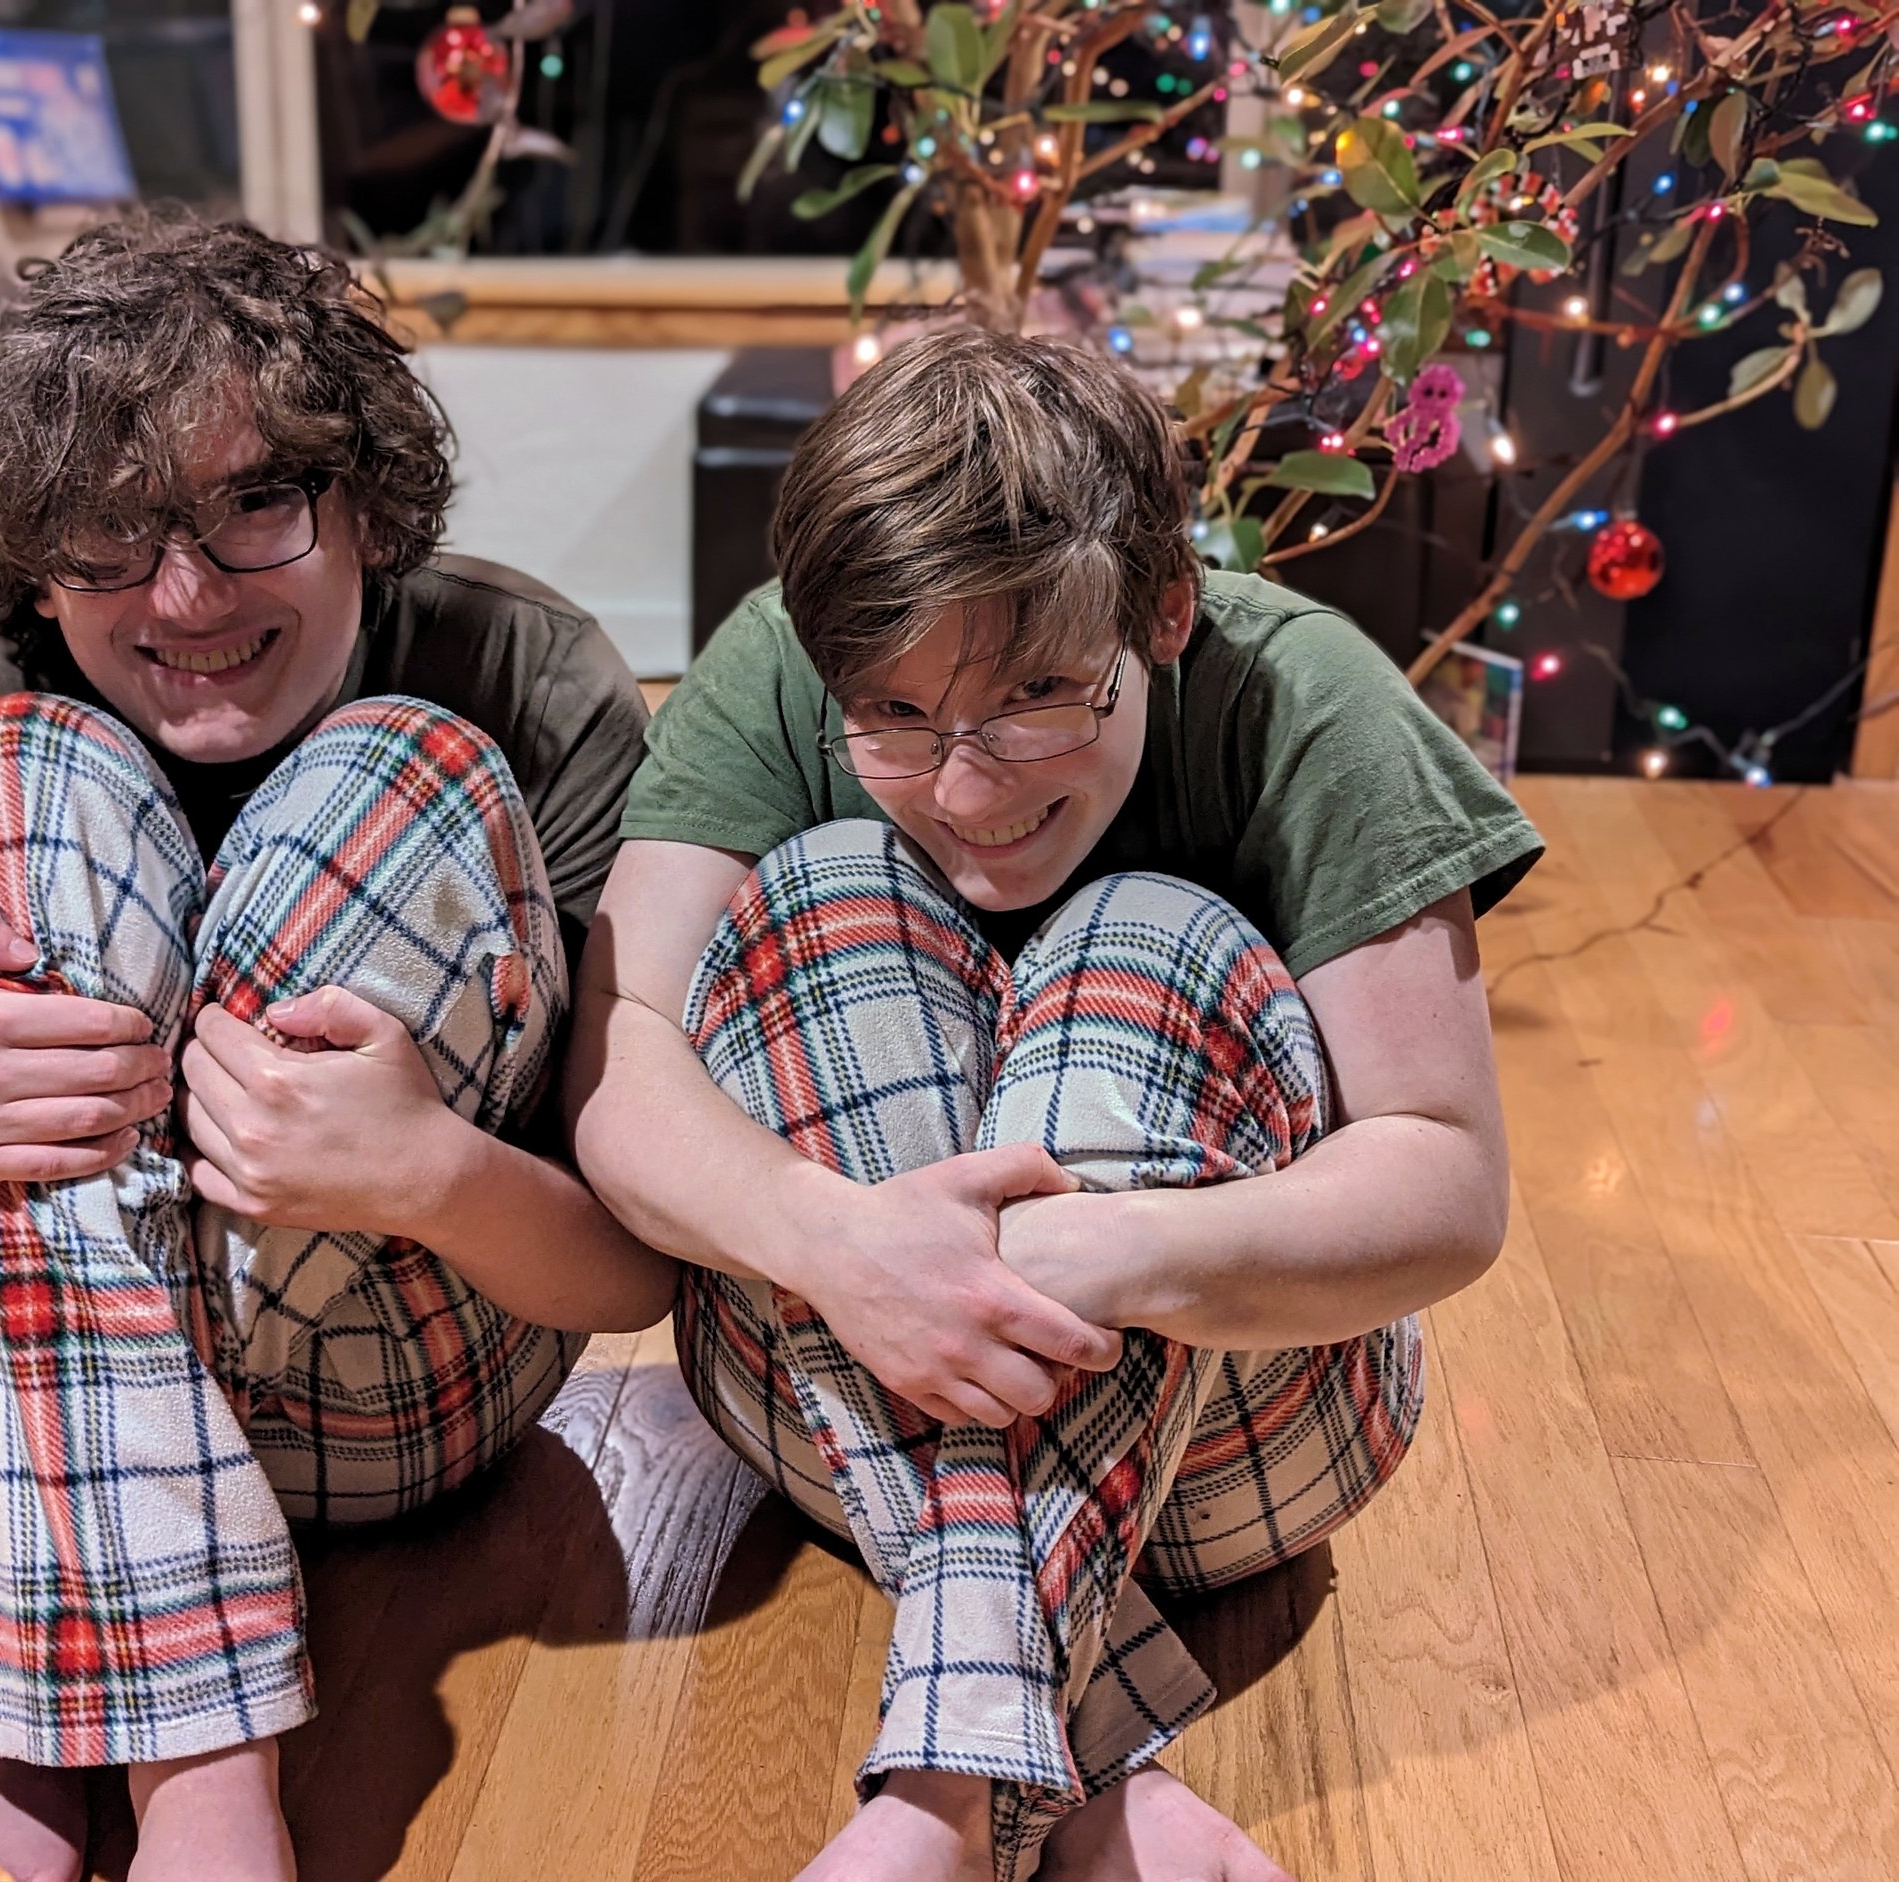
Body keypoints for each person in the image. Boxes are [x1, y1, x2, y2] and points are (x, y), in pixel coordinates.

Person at [567, 326, 1542, 1882]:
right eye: (893, 717)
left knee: (1146, 937)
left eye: (1037, 697)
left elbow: (1447, 1185)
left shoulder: (1309, 701)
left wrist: (1080, 1257)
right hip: (840, 1393)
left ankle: (946, 1795)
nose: (968, 791)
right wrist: (843, 1245)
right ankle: (1079, 1776)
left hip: (1243, 1435)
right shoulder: (783, 657)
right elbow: (617, 1059)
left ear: (1165, 610)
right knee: (826, 890)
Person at [0, 210, 676, 1882]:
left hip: (410, 1383)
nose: (184, 594)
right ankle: (189, 1727)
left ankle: (73, 1646)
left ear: (365, 503)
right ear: (31, 551)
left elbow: (637, 1273)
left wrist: (432, 1167)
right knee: (20, 776)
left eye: (256, 501)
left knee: (388, 774)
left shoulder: (528, 673)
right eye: (109, 529)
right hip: (61, 1382)